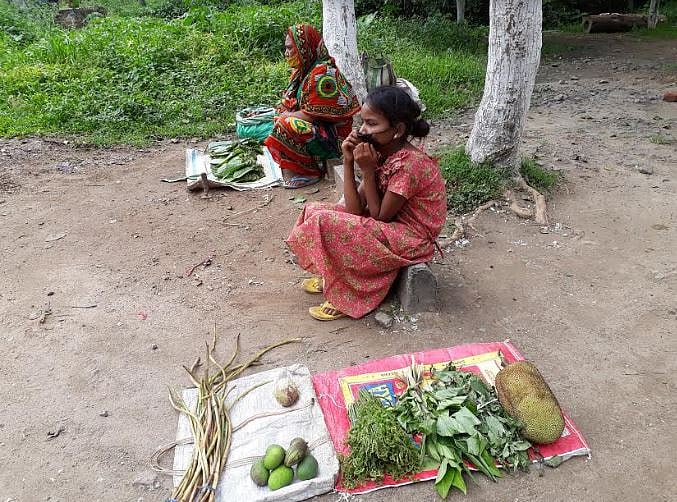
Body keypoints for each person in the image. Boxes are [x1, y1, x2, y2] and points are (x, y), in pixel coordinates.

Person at [286, 86, 447, 320]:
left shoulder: (410, 165)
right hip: (388, 226)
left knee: (324, 220)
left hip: (412, 238)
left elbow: (381, 216)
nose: (362, 130)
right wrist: (349, 161)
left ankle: (347, 294)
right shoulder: (383, 153)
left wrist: (369, 172)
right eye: (363, 122)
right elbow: (354, 211)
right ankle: (334, 275)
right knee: (313, 209)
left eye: (372, 124)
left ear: (397, 130)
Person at [264, 24, 360, 189]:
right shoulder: (303, 71)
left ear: (304, 49)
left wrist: (285, 117)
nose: (286, 53)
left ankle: (310, 172)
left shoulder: (323, 74)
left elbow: (311, 115)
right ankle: (302, 163)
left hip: (335, 138)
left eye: (290, 48)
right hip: (318, 127)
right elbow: (291, 103)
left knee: (284, 124)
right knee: (279, 118)